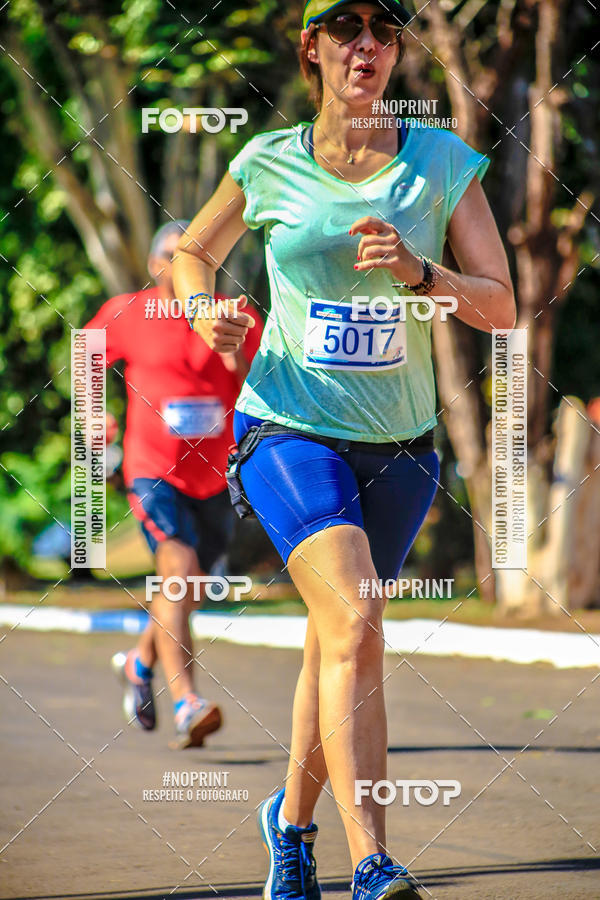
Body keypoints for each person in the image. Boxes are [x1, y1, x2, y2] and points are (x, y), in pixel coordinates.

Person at [174, 0, 516, 894]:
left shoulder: (442, 162)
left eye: (384, 29)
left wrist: (419, 271)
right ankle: (372, 860)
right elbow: (193, 254)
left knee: (341, 637)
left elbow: (502, 305)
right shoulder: (269, 162)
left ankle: (288, 829)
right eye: (346, 26)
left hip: (401, 446)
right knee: (357, 616)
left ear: (397, 52)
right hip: (288, 425)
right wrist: (206, 306)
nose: (367, 43)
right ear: (313, 49)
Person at [84, 221, 262, 749]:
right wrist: (96, 418)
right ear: (155, 264)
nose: (182, 266)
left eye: (196, 257)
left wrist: (235, 352)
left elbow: (263, 381)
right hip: (152, 469)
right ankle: (187, 703)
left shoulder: (236, 314)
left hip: (218, 474)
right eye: (172, 255)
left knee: (188, 592)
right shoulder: (128, 312)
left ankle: (140, 662)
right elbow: (86, 356)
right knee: (177, 573)